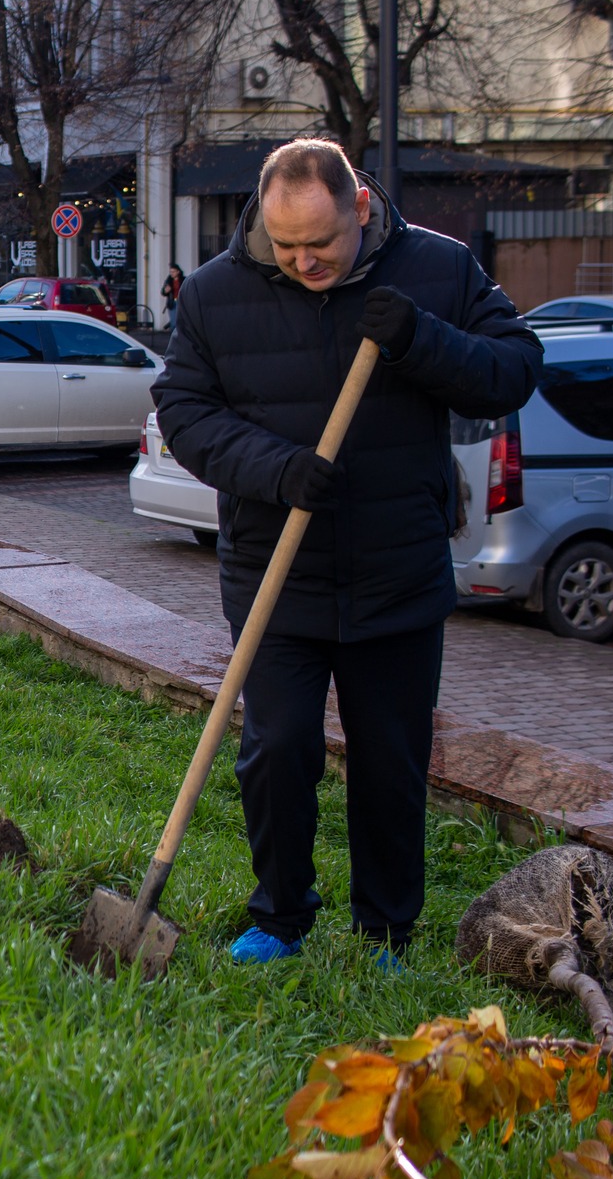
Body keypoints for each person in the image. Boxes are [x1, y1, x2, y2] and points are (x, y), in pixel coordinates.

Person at [152, 138, 541, 967]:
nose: (302, 261)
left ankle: (386, 931)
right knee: (278, 749)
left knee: (391, 765)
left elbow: (513, 371)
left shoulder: (438, 269)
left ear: (359, 205)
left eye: (320, 244)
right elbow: (184, 412)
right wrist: (275, 469)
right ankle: (281, 916)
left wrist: (420, 339)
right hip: (275, 571)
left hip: (397, 571)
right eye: (285, 245)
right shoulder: (217, 293)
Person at [161, 262, 184, 331]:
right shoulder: (168, 281)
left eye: (173, 272)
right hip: (172, 302)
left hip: (181, 302)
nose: (171, 273)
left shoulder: (183, 280)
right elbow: (163, 292)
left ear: (178, 272)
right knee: (174, 322)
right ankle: (174, 336)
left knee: (181, 321)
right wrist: (166, 291)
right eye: (170, 272)